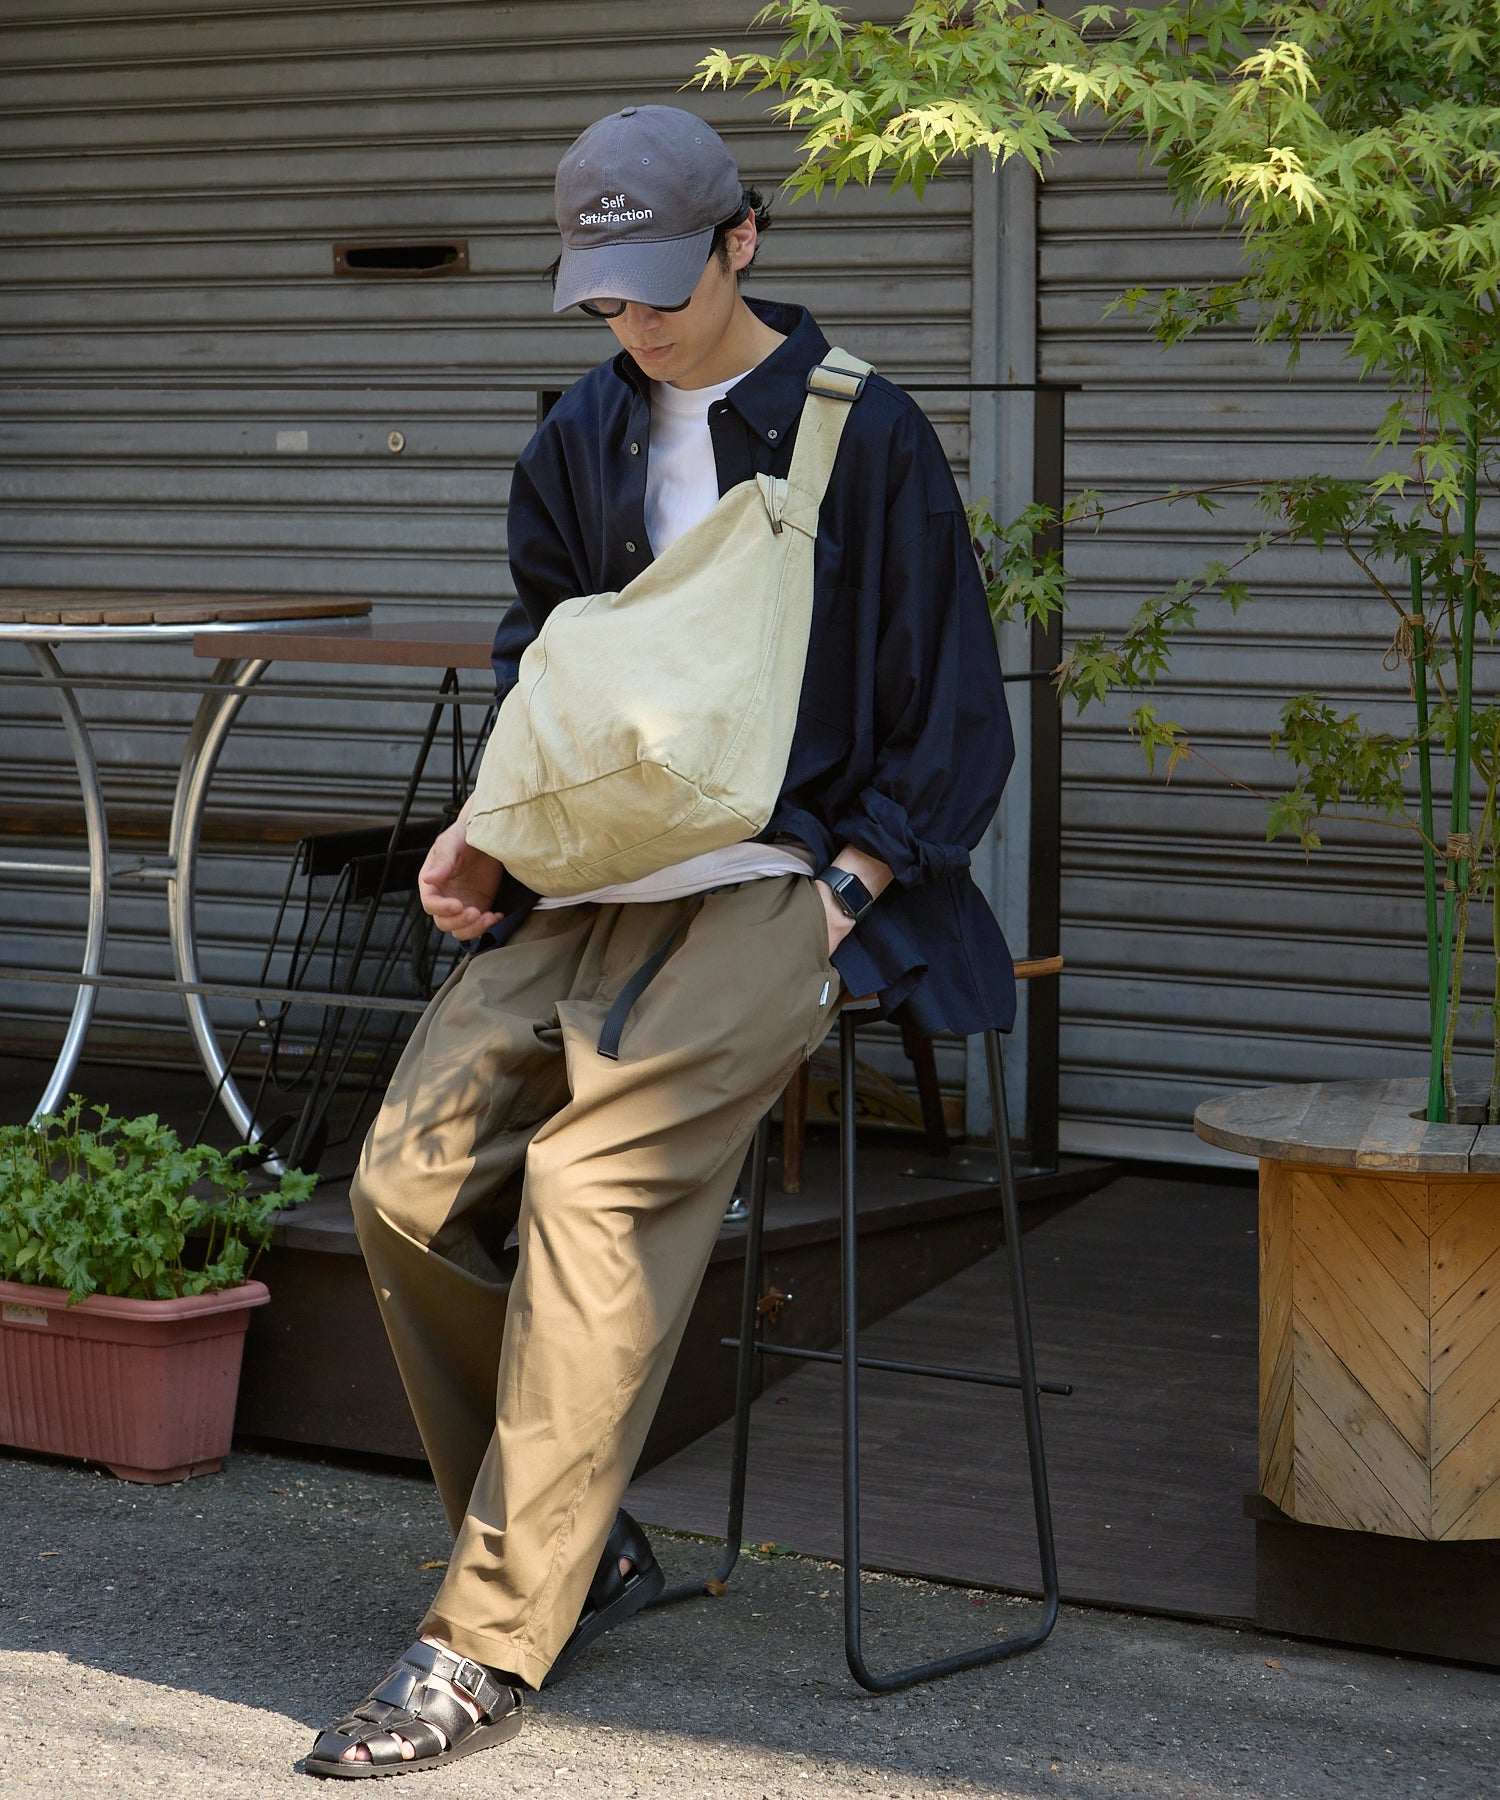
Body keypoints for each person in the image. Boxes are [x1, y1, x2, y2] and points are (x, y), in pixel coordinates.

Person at [305, 104, 1015, 1779]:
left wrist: (849, 890)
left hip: (788, 887)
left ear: (742, 240)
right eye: (604, 296)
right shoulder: (575, 439)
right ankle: (574, 1532)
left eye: (657, 290)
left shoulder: (864, 436)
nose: (635, 324)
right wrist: (488, 836)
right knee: (398, 1185)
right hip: (591, 887)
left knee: (588, 1184)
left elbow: (957, 718)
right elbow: (541, 681)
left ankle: (485, 1637)